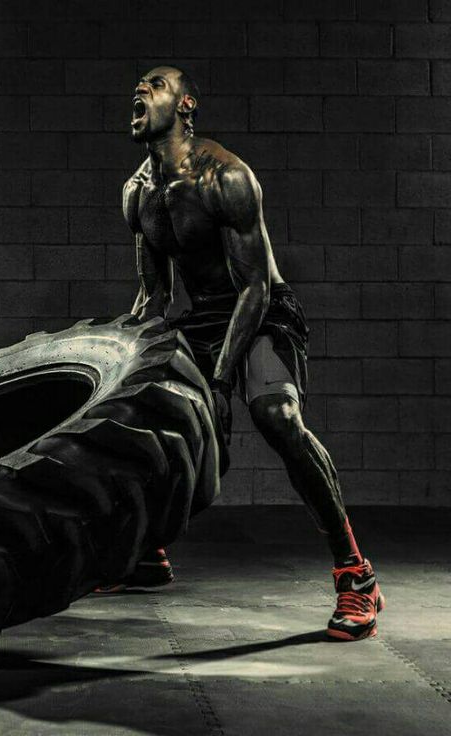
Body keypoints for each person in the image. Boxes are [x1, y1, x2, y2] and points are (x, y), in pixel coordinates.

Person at [96, 66, 384, 642]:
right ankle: (148, 555)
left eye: (154, 85)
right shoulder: (138, 195)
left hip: (263, 310)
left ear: (186, 105)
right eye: (137, 87)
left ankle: (357, 577)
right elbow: (155, 295)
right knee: (142, 410)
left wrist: (222, 382)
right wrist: (116, 360)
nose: (140, 91)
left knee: (276, 417)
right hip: (201, 319)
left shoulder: (225, 176)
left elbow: (253, 287)